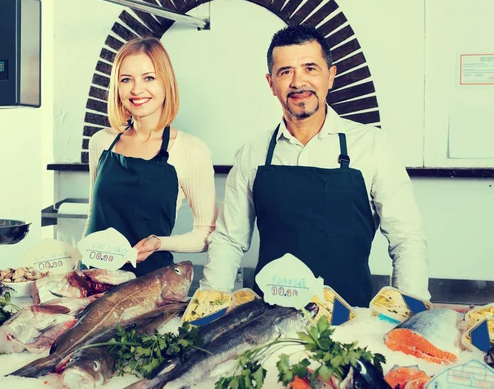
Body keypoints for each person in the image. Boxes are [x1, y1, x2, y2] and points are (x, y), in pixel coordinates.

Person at [199, 25, 430, 307]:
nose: (298, 82)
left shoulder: (372, 146)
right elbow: (228, 240)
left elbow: (406, 239)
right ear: (271, 83)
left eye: (310, 68)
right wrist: (207, 307)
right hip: (268, 321)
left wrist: (411, 312)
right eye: (286, 72)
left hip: (348, 321)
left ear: (330, 76)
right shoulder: (252, 152)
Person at [83, 37, 218, 277]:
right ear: (117, 87)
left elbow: (207, 234)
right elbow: (92, 219)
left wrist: (159, 243)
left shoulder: (190, 149)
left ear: (166, 83)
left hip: (149, 286)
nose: (136, 90)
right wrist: (77, 272)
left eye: (149, 78)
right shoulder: (101, 142)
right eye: (126, 80)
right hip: (93, 281)